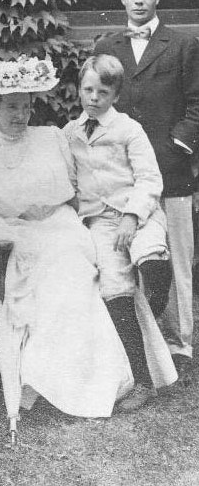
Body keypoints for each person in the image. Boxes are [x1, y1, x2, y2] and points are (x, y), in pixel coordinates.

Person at [0, 55, 137, 429]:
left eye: (25, 107)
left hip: (63, 226)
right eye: (11, 107)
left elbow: (74, 192)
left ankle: (85, 381)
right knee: (44, 279)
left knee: (70, 274)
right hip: (21, 234)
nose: (20, 115)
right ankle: (43, 381)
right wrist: (6, 233)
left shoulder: (51, 138)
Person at [94, 0, 199, 384]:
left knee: (176, 254)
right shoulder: (107, 43)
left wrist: (176, 146)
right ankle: (135, 341)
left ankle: (179, 340)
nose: (139, 1)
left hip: (169, 167)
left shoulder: (184, 45)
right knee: (124, 254)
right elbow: (99, 101)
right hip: (121, 174)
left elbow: (196, 105)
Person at [64, 54, 176, 411]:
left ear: (116, 95)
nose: (94, 98)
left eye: (103, 91)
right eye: (88, 89)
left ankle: (155, 314)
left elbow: (150, 179)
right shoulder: (70, 133)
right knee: (115, 289)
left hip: (138, 215)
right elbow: (69, 182)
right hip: (100, 221)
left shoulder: (128, 129)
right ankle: (141, 379)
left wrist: (132, 216)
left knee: (150, 256)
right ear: (79, 89)